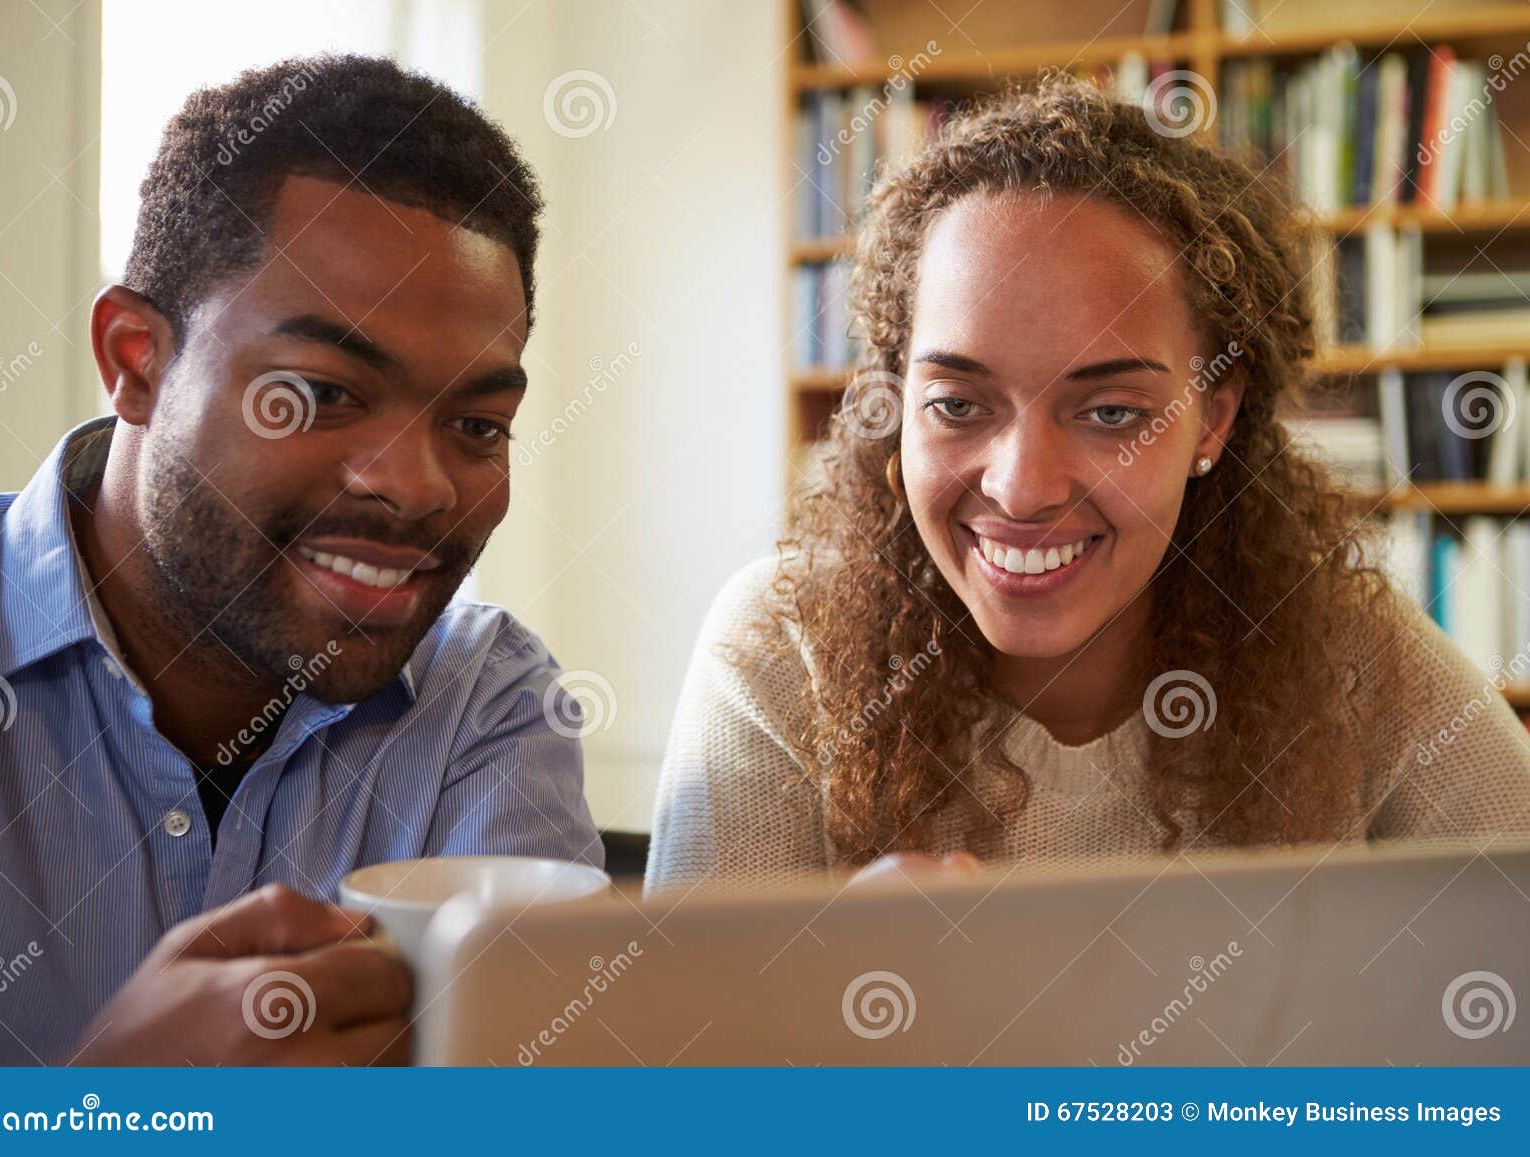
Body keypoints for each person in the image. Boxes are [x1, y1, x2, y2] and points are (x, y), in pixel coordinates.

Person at [646, 76, 1530, 891]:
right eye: (957, 404)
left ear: (1212, 419)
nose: (1022, 488)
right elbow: (688, 1013)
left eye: (1110, 412)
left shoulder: (1347, 657)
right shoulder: (783, 657)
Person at [0, 54, 599, 1065]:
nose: (415, 486)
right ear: (135, 360)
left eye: (476, 424)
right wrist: (104, 1114)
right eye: (318, 393)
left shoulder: (485, 707)